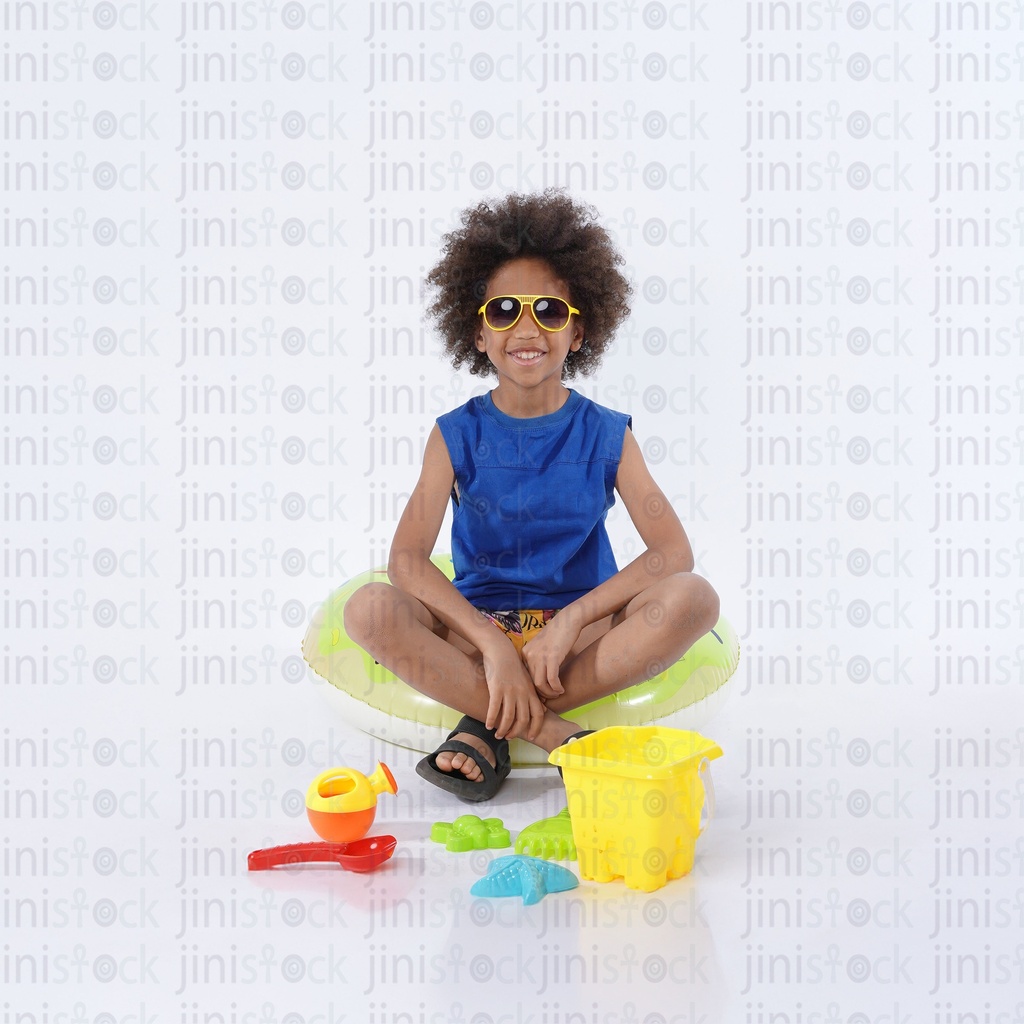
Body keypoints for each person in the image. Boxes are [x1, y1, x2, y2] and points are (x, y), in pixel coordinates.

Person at [344, 190, 720, 801]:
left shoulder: (606, 434)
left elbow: (672, 552)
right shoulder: (454, 435)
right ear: (477, 332)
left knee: (692, 599)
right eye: (504, 311)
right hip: (477, 626)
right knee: (368, 610)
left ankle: (483, 725)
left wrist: (573, 618)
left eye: (548, 310)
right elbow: (407, 561)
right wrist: (491, 643)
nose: (526, 329)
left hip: (578, 640)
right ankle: (551, 731)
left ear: (578, 331)